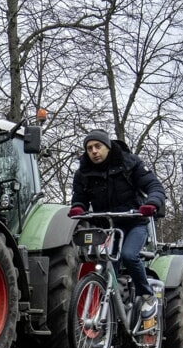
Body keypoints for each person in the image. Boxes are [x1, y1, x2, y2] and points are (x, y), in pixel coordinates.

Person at [68, 129, 166, 324]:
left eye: (98, 146)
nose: (94, 151)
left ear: (108, 146)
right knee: (104, 266)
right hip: (107, 226)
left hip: (134, 222)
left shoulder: (130, 163)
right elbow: (80, 197)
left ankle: (147, 297)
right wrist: (78, 207)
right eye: (89, 148)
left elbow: (155, 187)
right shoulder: (83, 173)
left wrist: (152, 203)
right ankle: (110, 316)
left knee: (129, 256)